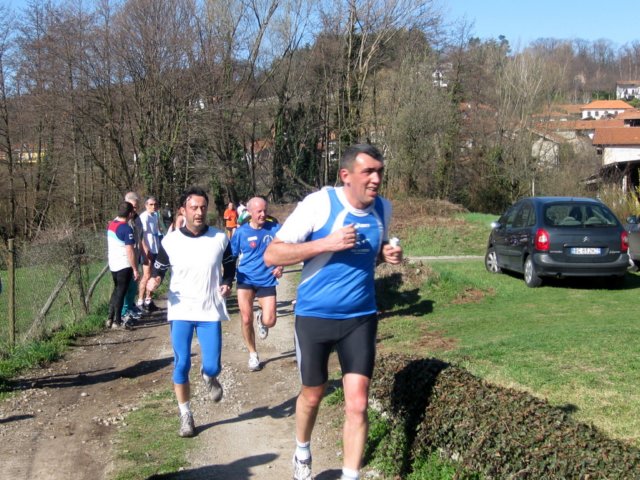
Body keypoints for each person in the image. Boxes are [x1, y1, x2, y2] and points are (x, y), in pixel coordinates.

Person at [264, 144, 403, 480]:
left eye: (379, 172)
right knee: (313, 395)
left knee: (357, 403)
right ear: (346, 175)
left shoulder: (383, 209)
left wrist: (385, 254)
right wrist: (327, 243)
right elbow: (272, 255)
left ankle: (350, 475)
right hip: (314, 317)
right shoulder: (320, 204)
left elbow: (370, 253)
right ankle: (302, 451)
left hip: (360, 318)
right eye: (368, 172)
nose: (376, 179)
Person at [148, 186, 236, 438]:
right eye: (194, 207)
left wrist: (227, 282)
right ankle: (185, 414)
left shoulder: (219, 238)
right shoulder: (171, 241)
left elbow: (230, 265)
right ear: (183, 211)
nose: (199, 212)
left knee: (212, 366)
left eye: (203, 207)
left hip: (209, 310)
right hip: (181, 310)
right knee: (182, 363)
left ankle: (209, 376)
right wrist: (155, 280)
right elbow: (159, 268)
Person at [230, 197, 283, 372]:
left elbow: (287, 248)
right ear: (250, 212)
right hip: (245, 279)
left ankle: (261, 319)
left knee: (270, 320)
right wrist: (226, 279)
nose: (263, 214)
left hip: (267, 279)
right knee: (246, 318)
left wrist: (280, 265)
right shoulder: (241, 232)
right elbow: (231, 256)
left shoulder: (275, 228)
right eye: (259, 211)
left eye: (265, 210)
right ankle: (253, 354)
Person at [106, 201, 140, 329]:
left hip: (113, 264)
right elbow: (130, 250)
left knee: (116, 290)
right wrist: (135, 269)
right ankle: (117, 320)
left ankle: (110, 318)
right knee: (121, 292)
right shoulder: (126, 228)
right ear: (130, 214)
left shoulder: (111, 225)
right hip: (123, 264)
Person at [121, 191, 143, 323]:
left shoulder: (137, 219)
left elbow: (140, 237)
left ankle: (130, 306)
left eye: (136, 207)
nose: (135, 210)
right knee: (126, 286)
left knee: (133, 285)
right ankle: (124, 312)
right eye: (133, 207)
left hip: (136, 255)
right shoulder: (123, 222)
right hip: (126, 259)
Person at [137, 196, 161, 312]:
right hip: (148, 249)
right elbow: (141, 236)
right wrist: (146, 250)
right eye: (151, 204)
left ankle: (148, 300)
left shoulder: (155, 215)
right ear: (146, 205)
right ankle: (140, 302)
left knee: (153, 276)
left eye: (155, 204)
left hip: (156, 248)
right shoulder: (144, 217)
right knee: (146, 275)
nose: (153, 206)